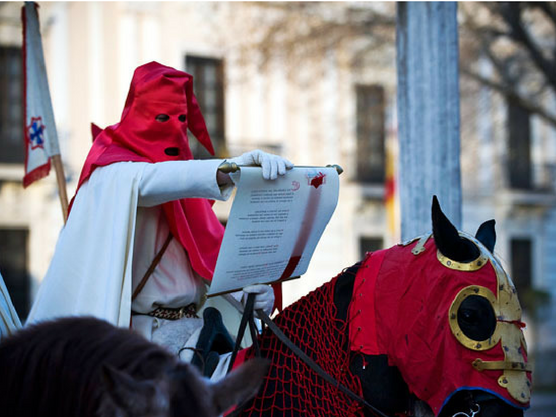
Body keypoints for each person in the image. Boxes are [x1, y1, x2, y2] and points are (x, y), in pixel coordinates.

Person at [27, 62, 293, 372]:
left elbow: (214, 261)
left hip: (200, 334)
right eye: (162, 117)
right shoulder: (113, 175)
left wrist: (257, 296)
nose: (172, 128)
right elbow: (150, 182)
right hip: (142, 344)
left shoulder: (189, 186)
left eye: (181, 119)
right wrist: (230, 168)